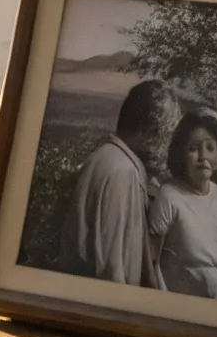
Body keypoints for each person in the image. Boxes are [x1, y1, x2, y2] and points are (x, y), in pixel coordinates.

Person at [68, 79, 178, 285]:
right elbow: (111, 269)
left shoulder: (108, 159)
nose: (168, 145)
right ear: (151, 129)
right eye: (167, 132)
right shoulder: (122, 173)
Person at [147, 109, 217, 302]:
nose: (203, 157)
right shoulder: (169, 196)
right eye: (193, 148)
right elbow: (152, 262)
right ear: (181, 153)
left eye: (210, 148)